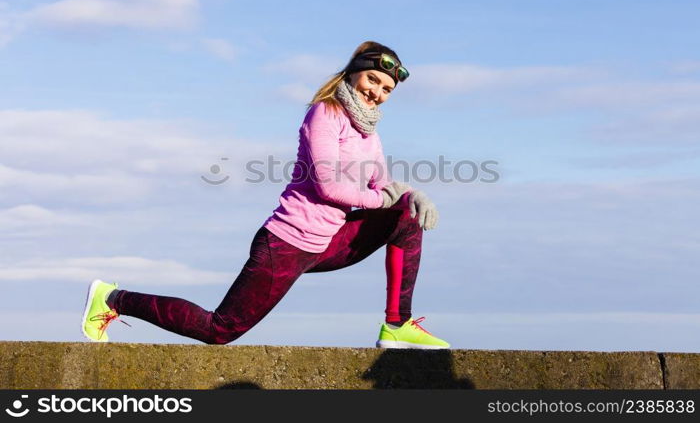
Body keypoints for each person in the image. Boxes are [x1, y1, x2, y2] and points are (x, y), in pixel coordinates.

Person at [81, 40, 449, 349]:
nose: (377, 93)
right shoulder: (325, 113)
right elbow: (329, 186)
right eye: (373, 79)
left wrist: (412, 195)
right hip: (286, 245)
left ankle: (397, 325)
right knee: (219, 329)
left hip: (329, 241)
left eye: (387, 89)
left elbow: (382, 186)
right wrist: (383, 200)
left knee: (407, 216)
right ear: (353, 72)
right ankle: (113, 298)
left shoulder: (369, 134)